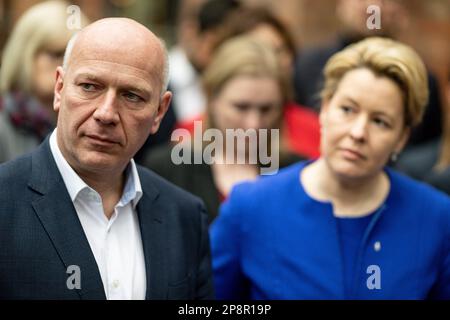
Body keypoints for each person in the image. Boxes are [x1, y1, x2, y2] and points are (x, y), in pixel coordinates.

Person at [210, 37, 450, 299]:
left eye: (380, 122)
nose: (358, 132)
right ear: (324, 110)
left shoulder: (436, 218)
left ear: (402, 138)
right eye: (347, 109)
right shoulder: (253, 206)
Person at [0, 18, 214, 300]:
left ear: (159, 113)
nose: (106, 113)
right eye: (90, 86)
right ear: (59, 89)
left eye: (132, 96)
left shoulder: (184, 217)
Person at [143, 36, 302, 223]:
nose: (254, 123)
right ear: (212, 99)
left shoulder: (295, 174)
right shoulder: (169, 168)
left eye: (266, 109)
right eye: (241, 107)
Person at [0, 0, 89, 163]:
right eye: (57, 54)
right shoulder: (4, 122)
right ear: (25, 54)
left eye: (75, 57)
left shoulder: (89, 124)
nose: (66, 65)